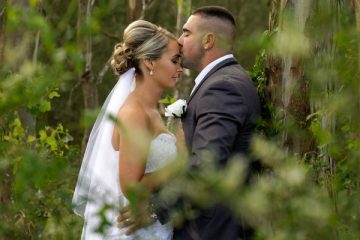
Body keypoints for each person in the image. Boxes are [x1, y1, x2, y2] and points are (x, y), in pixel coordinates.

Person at [155, 6, 261, 240]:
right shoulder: (223, 80)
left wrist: (156, 210)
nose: (179, 41)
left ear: (208, 40)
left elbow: (206, 166)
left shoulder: (223, 88)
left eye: (186, 33)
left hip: (213, 231)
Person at [72, 19, 183, 240]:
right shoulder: (134, 114)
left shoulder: (150, 110)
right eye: (174, 60)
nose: (180, 68)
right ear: (150, 63)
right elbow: (131, 188)